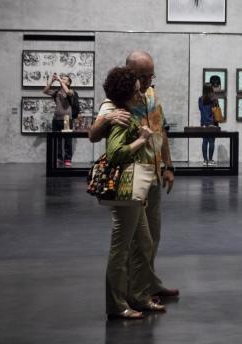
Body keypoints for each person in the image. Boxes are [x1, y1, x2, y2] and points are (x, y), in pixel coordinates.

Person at [89, 51, 179, 304]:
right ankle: (132, 293)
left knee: (151, 237)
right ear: (131, 73)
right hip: (132, 178)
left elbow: (161, 131)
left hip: (153, 175)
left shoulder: (150, 95)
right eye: (143, 76)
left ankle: (148, 284)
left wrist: (169, 166)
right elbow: (93, 135)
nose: (148, 81)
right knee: (131, 242)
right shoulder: (116, 101)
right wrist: (108, 118)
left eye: (151, 76)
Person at [101, 66, 165, 319]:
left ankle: (139, 296)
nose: (141, 94)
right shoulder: (122, 117)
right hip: (126, 190)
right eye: (137, 91)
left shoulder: (126, 113)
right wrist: (141, 139)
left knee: (144, 243)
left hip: (135, 190)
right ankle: (117, 305)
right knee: (121, 249)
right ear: (126, 94)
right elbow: (114, 153)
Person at [42, 73, 74, 167]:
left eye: (64, 79)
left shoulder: (71, 91)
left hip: (66, 119)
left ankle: (67, 158)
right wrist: (51, 81)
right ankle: (59, 158)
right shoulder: (56, 92)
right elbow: (45, 91)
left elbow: (68, 92)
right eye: (62, 78)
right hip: (56, 119)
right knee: (57, 140)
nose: (62, 80)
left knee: (67, 140)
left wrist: (59, 80)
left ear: (68, 83)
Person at [198, 82, 219, 166]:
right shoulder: (214, 99)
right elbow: (216, 110)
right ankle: (210, 160)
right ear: (211, 89)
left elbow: (200, 109)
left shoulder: (200, 99)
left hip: (203, 122)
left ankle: (205, 160)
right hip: (212, 122)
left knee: (204, 141)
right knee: (211, 141)